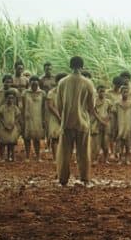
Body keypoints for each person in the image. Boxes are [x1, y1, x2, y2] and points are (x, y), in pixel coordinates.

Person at [56, 56, 96, 186]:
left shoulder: (62, 82)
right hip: (82, 122)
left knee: (64, 153)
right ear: (82, 66)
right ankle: (85, 178)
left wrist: (64, 117)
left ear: (70, 66)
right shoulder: (88, 83)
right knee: (83, 153)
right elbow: (91, 106)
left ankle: (63, 179)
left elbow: (59, 105)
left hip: (67, 122)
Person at [113, 85, 131, 164]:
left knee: (127, 142)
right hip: (120, 125)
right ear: (121, 93)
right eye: (124, 92)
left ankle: (127, 158)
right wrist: (115, 125)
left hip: (128, 125)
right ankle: (120, 158)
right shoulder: (117, 104)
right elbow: (114, 115)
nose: (125, 94)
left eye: (127, 92)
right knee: (120, 142)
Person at [22, 76, 45, 161]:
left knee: (37, 138)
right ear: (29, 82)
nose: (34, 82)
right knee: (27, 138)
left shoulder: (42, 93)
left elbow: (43, 107)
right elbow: (23, 106)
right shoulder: (25, 93)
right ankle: (27, 156)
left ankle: (38, 156)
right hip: (28, 117)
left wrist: (43, 119)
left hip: (38, 117)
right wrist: (23, 118)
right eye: (32, 80)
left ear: (39, 82)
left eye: (36, 80)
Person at [45, 73, 65, 160]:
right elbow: (50, 106)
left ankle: (63, 158)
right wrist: (59, 116)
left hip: (66, 117)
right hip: (54, 117)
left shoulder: (68, 92)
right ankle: (55, 158)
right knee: (55, 137)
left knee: (64, 139)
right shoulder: (51, 92)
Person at [0, 90, 21, 161]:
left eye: (12, 98)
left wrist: (14, 124)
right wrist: (4, 125)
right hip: (3, 127)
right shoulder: (2, 107)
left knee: (11, 143)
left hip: (12, 127)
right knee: (2, 143)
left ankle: (11, 156)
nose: (10, 99)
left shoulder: (15, 107)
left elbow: (18, 116)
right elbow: (0, 116)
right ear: (6, 98)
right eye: (8, 98)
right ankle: (2, 157)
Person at [91, 85, 112, 165]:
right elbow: (93, 112)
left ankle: (106, 159)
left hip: (106, 124)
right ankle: (95, 159)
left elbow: (110, 112)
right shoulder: (94, 102)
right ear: (97, 92)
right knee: (96, 143)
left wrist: (106, 119)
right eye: (100, 91)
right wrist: (100, 120)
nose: (102, 93)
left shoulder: (108, 102)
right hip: (96, 124)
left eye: (104, 91)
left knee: (106, 143)